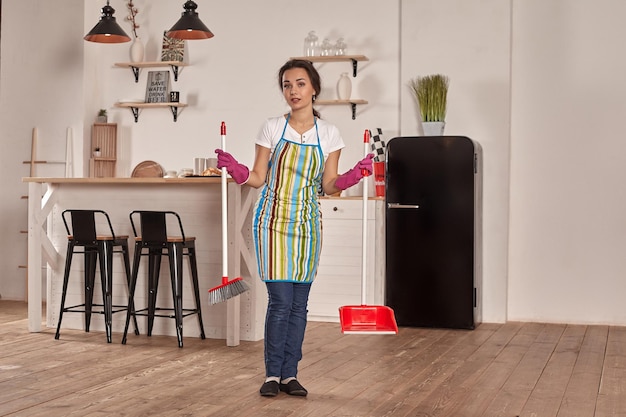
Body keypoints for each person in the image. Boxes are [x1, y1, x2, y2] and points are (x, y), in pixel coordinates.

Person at [215, 59, 373, 398]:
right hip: (271, 222)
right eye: (287, 85)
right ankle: (273, 373)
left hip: (306, 224)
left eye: (300, 84)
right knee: (280, 301)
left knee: (299, 305)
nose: (293, 91)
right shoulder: (272, 128)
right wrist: (237, 170)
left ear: (313, 88)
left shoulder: (329, 134)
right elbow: (258, 177)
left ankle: (291, 375)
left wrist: (353, 175)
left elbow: (328, 185)